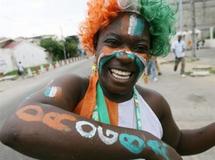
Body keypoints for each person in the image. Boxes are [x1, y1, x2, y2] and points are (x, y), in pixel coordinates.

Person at [0, 0, 214, 160]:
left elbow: (179, 143)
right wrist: (145, 143)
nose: (125, 56)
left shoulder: (154, 103)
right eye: (113, 42)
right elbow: (17, 125)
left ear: (148, 55)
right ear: (95, 45)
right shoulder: (75, 89)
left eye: (139, 48)